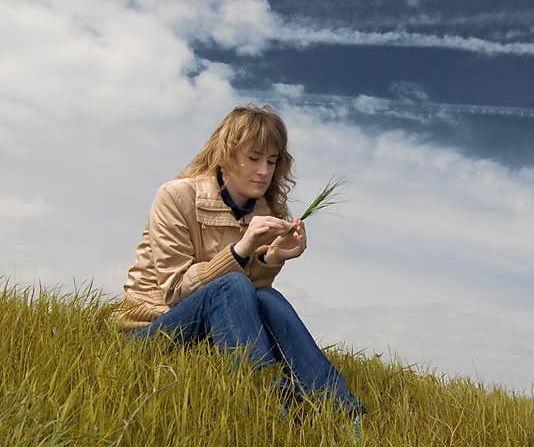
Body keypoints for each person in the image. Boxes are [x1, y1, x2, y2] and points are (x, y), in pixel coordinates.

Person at [116, 104, 365, 418]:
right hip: (153, 330)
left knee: (267, 298)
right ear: (225, 155)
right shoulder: (175, 196)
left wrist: (272, 257)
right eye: (253, 158)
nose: (264, 171)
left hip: (212, 334)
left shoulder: (267, 212)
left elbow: (247, 303)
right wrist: (242, 249)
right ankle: (268, 406)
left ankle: (341, 412)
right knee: (231, 284)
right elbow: (176, 290)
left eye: (272, 161)